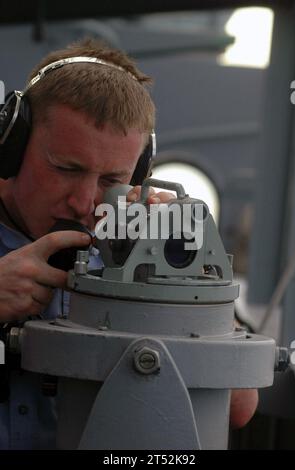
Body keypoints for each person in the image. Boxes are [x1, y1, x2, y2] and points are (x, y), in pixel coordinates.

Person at [0, 38, 257, 449]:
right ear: (12, 144)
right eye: (66, 168)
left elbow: (240, 407)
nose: (84, 202)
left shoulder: (136, 251)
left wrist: (182, 276)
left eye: (110, 182)